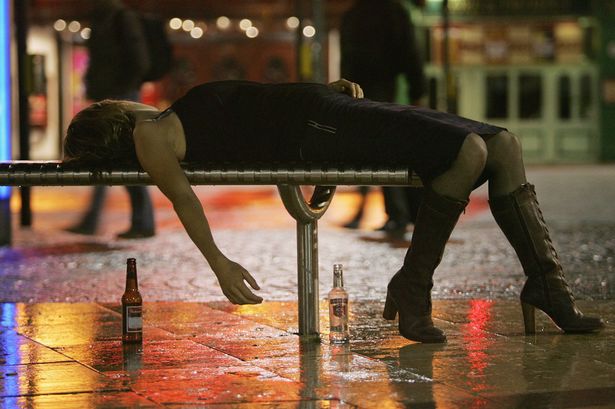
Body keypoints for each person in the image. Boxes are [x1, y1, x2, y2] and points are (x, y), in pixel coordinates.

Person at [62, 78, 605, 343]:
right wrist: (220, 264)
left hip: (323, 110)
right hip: (317, 131)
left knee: (503, 144)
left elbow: (256, 108)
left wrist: (327, 89)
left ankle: (548, 288)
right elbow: (184, 199)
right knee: (470, 151)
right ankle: (413, 289)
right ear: (111, 121)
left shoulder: (162, 118)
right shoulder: (151, 136)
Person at [66, 0, 155, 239]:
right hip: (110, 96)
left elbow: (139, 61)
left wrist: (120, 92)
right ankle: (96, 218)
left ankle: (142, 221)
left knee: (126, 157)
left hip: (120, 97)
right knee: (104, 155)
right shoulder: (102, 17)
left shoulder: (120, 18)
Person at [340, 0, 426, 237]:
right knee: (387, 150)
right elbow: (409, 52)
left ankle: (389, 213)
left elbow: (347, 59)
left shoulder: (353, 14)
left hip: (360, 91)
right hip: (386, 89)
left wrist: (344, 95)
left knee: (374, 151)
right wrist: (417, 89)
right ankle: (395, 214)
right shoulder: (393, 12)